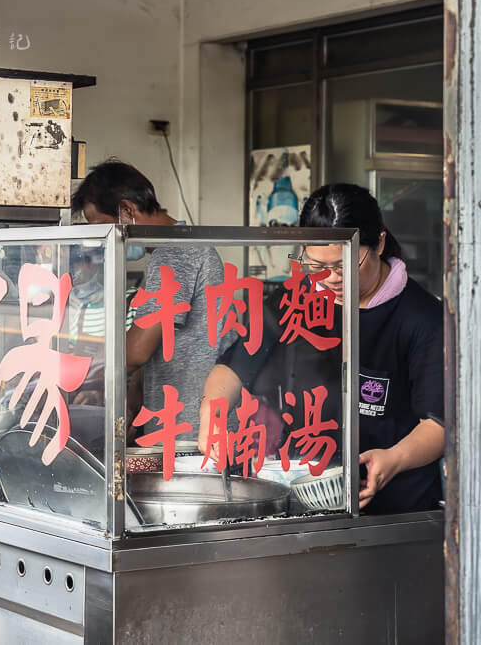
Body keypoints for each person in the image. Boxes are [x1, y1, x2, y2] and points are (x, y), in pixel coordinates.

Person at [198, 183, 444, 514]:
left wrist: (394, 459)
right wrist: (211, 416)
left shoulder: (422, 318)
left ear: (380, 243)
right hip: (304, 496)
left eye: (344, 265)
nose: (329, 277)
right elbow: (236, 363)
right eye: (316, 265)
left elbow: (439, 423)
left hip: (393, 508)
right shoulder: (298, 298)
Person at [71, 159, 229, 444]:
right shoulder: (182, 247)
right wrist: (134, 398)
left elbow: (136, 352)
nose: (103, 240)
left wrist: (81, 373)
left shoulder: (175, 253)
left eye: (103, 228)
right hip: (186, 422)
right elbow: (160, 341)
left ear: (128, 211)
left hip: (188, 430)